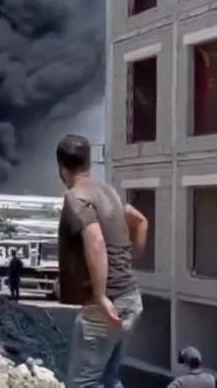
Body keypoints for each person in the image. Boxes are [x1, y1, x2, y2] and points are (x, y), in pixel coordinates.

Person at [57, 134, 147, 387]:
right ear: (89, 163)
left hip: (106, 305)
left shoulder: (76, 198)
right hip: (130, 298)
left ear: (61, 168)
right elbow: (141, 221)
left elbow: (95, 240)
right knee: (108, 378)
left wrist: (100, 295)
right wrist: (128, 263)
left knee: (81, 383)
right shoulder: (109, 192)